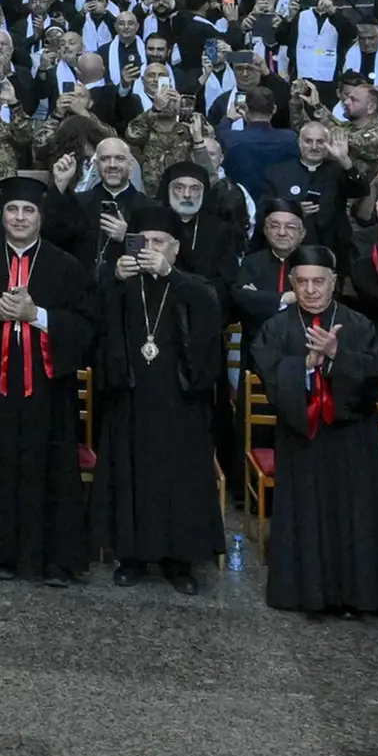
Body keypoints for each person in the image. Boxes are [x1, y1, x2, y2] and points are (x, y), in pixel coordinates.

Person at [249, 244, 378, 616]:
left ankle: (356, 596)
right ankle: (307, 595)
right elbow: (267, 374)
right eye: (302, 282)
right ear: (292, 283)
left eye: (319, 281)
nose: (311, 290)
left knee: (354, 515)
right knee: (306, 514)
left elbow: (377, 372)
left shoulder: (358, 323)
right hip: (302, 437)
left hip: (352, 437)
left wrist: (338, 356)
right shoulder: (276, 327)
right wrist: (303, 364)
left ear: (334, 282)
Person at [91, 209, 227, 592]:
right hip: (131, 397)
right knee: (130, 473)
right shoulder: (123, 282)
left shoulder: (190, 284)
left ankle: (178, 561)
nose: (151, 250)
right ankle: (130, 556)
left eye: (159, 243)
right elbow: (95, 317)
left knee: (179, 478)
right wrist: (112, 279)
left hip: (178, 401)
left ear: (176, 247)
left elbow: (209, 311)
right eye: (143, 242)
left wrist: (169, 274)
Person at [0, 184, 96, 584]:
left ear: (40, 218)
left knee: (51, 467)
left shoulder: (67, 266)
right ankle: (3, 553)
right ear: (1, 216)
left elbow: (87, 327)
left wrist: (35, 313)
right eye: (12, 210)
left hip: (48, 389)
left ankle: (55, 558)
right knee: (1, 465)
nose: (20, 217)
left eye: (28, 211)